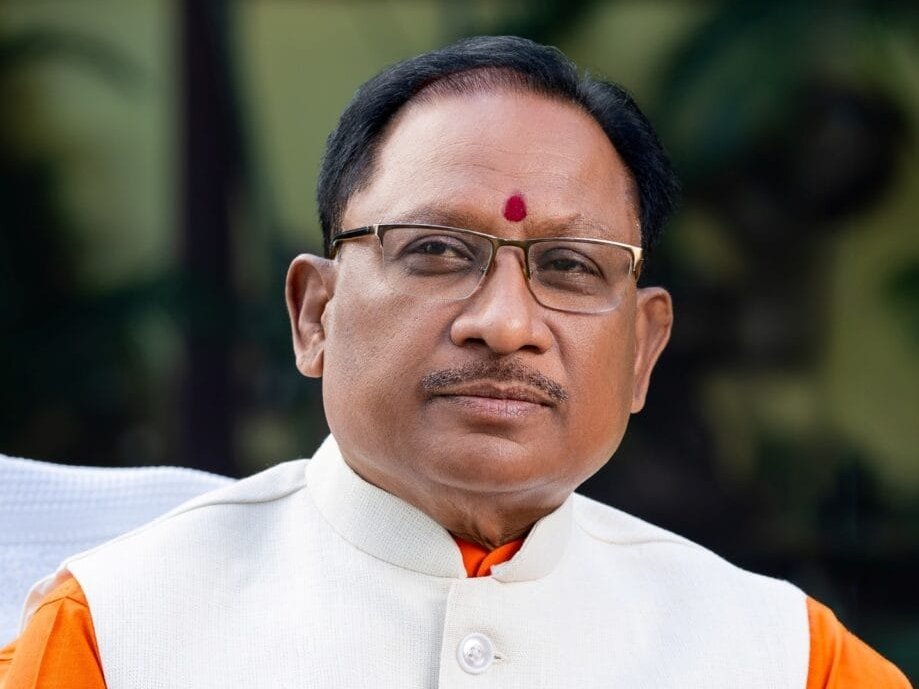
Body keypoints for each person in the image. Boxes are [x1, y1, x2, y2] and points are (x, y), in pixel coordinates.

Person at [0, 35, 910, 689]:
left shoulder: (782, 657)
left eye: (569, 265)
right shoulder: (115, 633)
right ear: (314, 313)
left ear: (642, 349)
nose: (505, 323)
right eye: (436, 250)